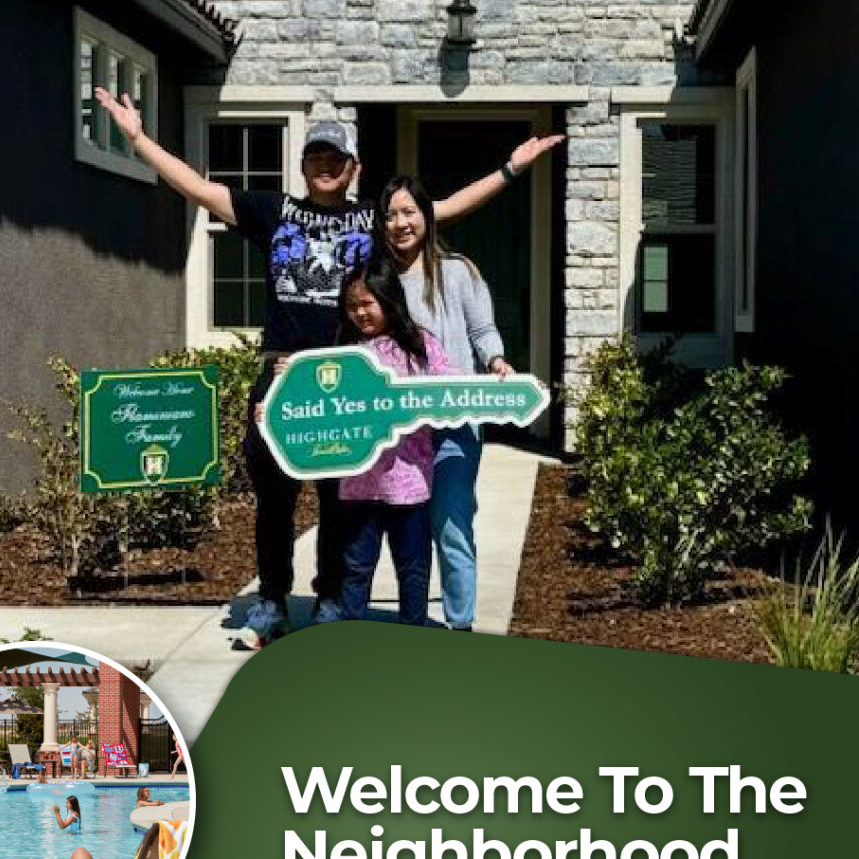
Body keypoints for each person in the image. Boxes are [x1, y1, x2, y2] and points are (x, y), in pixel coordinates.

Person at [95, 86, 561, 648]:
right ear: (304, 165)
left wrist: (511, 168)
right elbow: (197, 187)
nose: (324, 166)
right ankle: (271, 601)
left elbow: (443, 210)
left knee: (341, 498)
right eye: (315, 157)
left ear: (351, 168)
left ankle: (330, 598)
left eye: (334, 159)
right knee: (275, 499)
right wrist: (139, 140)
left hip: (347, 383)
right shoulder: (273, 212)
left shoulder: (372, 220)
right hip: (284, 375)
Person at [376, 174, 523, 631]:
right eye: (391, 214)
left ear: (426, 215)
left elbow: (481, 332)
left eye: (409, 212)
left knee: (452, 524)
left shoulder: (459, 271)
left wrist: (496, 361)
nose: (401, 223)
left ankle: (460, 626)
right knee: (410, 532)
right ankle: (416, 622)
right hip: (402, 429)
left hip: (456, 422)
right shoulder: (378, 281)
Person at [335, 260, 453, 627]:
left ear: (388, 298)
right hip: (357, 486)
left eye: (367, 303)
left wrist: (504, 388)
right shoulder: (344, 352)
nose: (359, 313)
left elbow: (454, 389)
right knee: (354, 570)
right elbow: (313, 405)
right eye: (352, 305)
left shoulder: (421, 345)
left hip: (410, 485)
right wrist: (277, 407)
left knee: (414, 570)